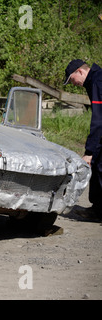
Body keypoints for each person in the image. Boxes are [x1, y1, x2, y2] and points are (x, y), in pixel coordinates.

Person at [64, 59, 102, 218]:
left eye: (72, 79)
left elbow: (99, 120)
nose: (73, 84)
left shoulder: (98, 81)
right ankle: (98, 210)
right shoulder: (95, 79)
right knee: (97, 165)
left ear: (80, 71)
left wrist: (89, 151)